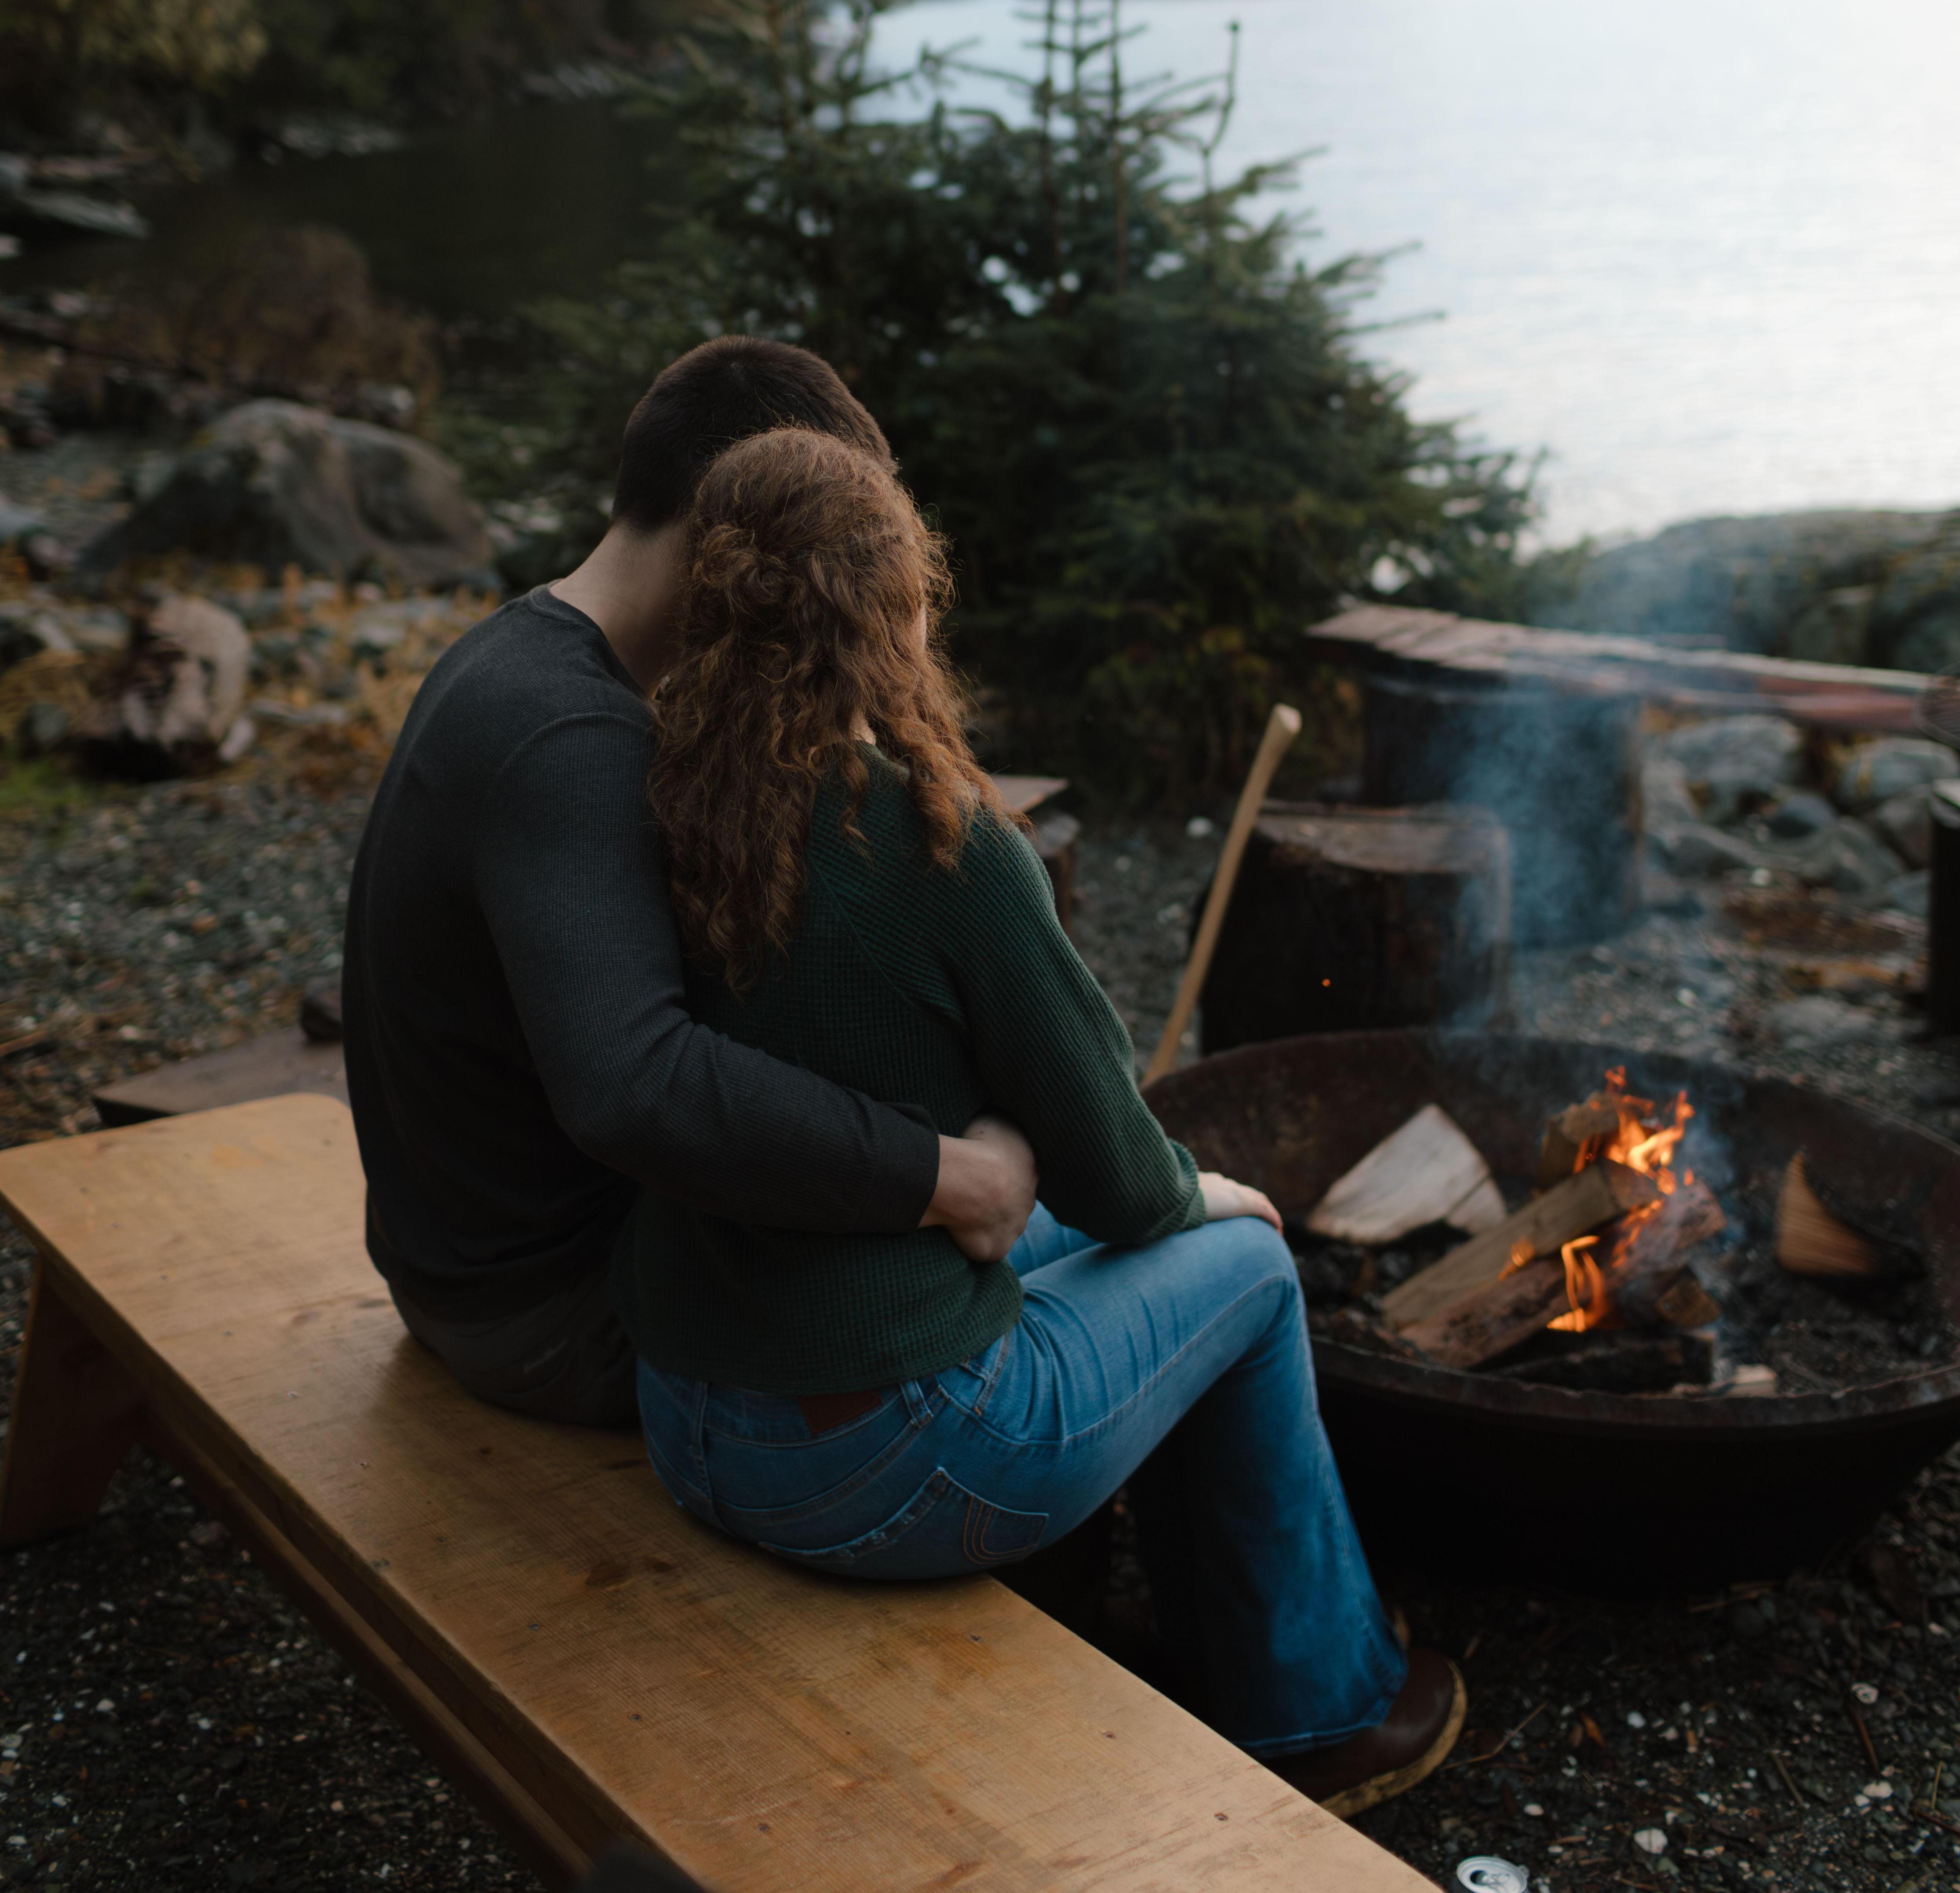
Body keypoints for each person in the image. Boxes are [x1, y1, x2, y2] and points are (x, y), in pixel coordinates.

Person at [616, 423, 1467, 1813]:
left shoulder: (658, 803)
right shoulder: (945, 844)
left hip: (690, 1421)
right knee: (1244, 1268)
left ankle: (1210, 1631)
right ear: (898, 609)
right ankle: (1317, 1709)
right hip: (870, 1471)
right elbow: (1127, 1180)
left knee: (1085, 1234)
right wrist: (1209, 1197)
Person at [340, 339, 1038, 1430]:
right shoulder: (571, 738)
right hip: (553, 1320)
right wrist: (945, 1176)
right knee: (1032, 1265)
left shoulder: (516, 657)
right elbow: (636, 1083)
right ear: (735, 522)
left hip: (464, 1271)